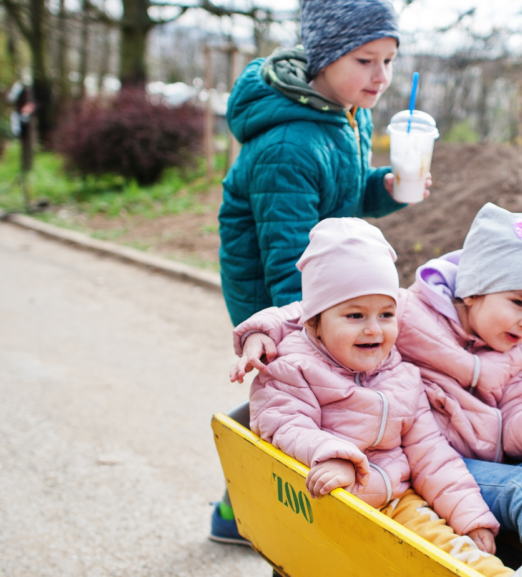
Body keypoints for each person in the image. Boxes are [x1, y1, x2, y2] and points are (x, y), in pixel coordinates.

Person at [234, 203, 522, 558]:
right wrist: (261, 331)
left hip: (488, 463)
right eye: (518, 302)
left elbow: (514, 429)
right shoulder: (406, 313)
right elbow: (321, 308)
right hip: (435, 460)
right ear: (474, 291)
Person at [212, 0, 428, 543]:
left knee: (322, 399)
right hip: (281, 294)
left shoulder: (344, 115)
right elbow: (288, 257)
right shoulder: (289, 144)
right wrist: (293, 331)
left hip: (328, 286)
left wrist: (385, 188)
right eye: (365, 60)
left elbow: (345, 196)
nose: (381, 76)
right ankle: (251, 510)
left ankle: (249, 506)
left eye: (389, 60)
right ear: (325, 60)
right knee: (297, 399)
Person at [249, 218, 512, 577]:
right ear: (314, 323)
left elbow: (431, 455)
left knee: (462, 560)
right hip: (328, 507)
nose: (373, 328)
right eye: (355, 315)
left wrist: (470, 515)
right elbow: (282, 423)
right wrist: (334, 456)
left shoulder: (402, 376)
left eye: (386, 314)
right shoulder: (293, 366)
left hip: (398, 501)